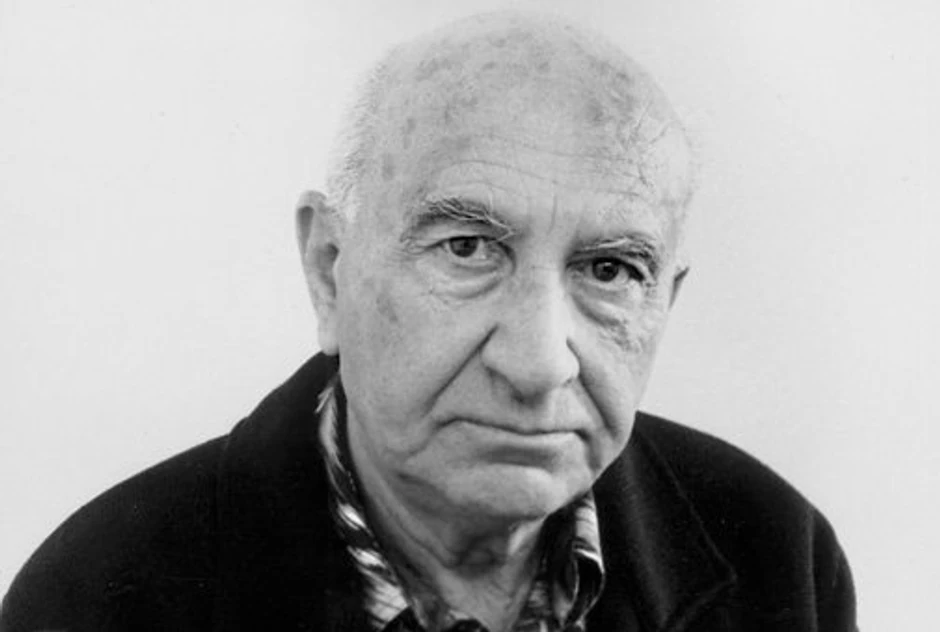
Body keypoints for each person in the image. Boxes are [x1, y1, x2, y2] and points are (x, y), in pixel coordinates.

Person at [0, 11, 856, 632]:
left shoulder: (781, 556)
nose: (538, 364)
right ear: (329, 269)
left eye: (609, 271)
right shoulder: (97, 596)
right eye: (467, 249)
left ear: (666, 299)